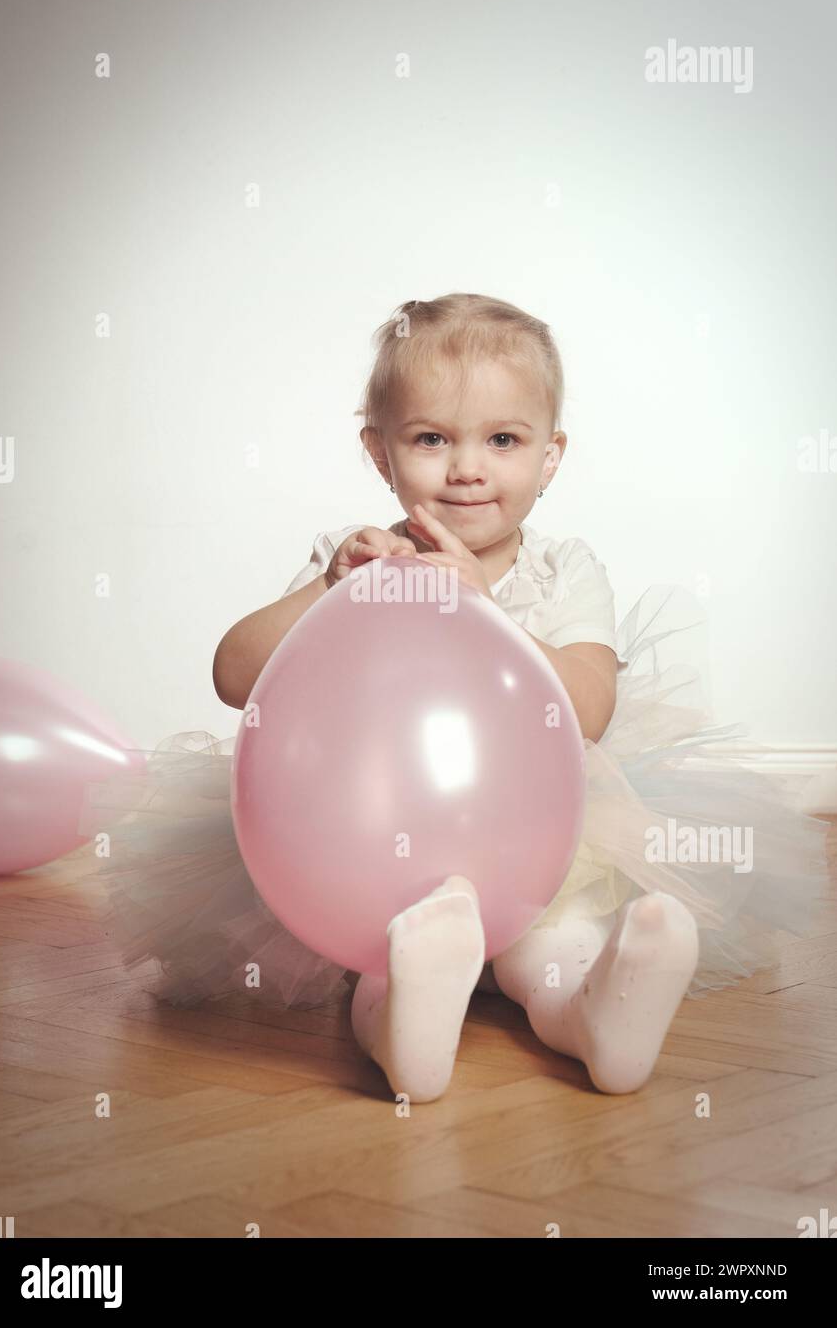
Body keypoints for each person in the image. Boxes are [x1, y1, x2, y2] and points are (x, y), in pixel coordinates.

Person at [81, 292, 831, 1101]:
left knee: (553, 939)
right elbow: (236, 678)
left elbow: (588, 709)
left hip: (543, 837)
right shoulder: (358, 559)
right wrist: (330, 589)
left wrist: (482, 603)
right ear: (380, 453)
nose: (468, 467)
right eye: (432, 438)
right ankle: (409, 1028)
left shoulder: (564, 571)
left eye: (503, 439)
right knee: (389, 946)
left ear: (550, 456)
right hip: (371, 846)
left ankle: (596, 1015)